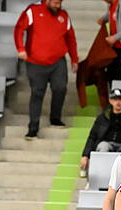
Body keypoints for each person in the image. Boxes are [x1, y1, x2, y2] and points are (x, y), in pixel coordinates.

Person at [14, 0, 78, 140]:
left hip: (58, 61)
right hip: (35, 61)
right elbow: (19, 29)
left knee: (60, 88)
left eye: (60, 3)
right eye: (55, 3)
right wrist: (20, 48)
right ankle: (33, 128)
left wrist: (74, 58)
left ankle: (55, 118)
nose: (58, 6)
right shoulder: (33, 10)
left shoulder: (64, 15)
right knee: (37, 92)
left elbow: (70, 38)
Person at [80, 88, 121, 174]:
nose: (118, 102)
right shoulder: (102, 117)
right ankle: (101, 174)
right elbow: (92, 137)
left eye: (120, 99)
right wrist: (85, 155)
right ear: (110, 101)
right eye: (115, 99)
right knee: (103, 146)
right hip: (106, 143)